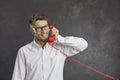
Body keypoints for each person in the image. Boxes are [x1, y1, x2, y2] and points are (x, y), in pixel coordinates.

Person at [12, 12, 88, 80]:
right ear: (32, 30)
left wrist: (59, 38)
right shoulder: (24, 51)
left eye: (45, 26)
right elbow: (17, 77)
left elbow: (83, 44)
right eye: (39, 28)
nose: (44, 31)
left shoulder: (60, 47)